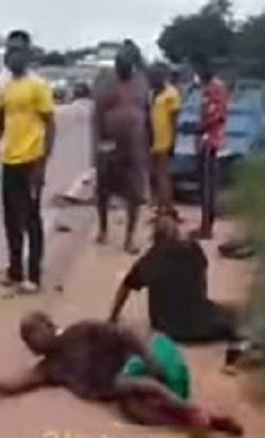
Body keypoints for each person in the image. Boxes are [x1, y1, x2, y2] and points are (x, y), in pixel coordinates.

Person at [0, 313, 243, 436]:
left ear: (49, 325)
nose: (31, 341)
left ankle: (192, 410)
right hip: (140, 385)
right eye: (26, 339)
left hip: (153, 356)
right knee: (133, 409)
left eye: (32, 332)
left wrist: (148, 357)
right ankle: (204, 419)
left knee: (126, 384)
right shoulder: (50, 368)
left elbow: (127, 333)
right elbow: (17, 383)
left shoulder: (83, 331)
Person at [0, 30, 56, 292]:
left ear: (27, 54)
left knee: (31, 220)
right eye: (9, 50)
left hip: (32, 161)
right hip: (10, 161)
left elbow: (50, 126)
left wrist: (42, 164)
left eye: (18, 50)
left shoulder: (38, 86)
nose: (12, 55)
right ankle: (15, 271)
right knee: (11, 220)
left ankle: (34, 276)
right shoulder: (5, 88)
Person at [109, 214, 245, 345]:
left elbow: (126, 286)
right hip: (198, 321)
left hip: (166, 327)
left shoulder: (150, 259)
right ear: (177, 234)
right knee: (238, 312)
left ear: (155, 238)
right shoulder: (193, 250)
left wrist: (113, 316)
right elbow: (202, 269)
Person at [93, 46, 151, 254]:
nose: (123, 69)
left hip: (135, 146)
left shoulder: (141, 83)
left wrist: (149, 143)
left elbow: (148, 113)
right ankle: (103, 229)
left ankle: (129, 237)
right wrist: (99, 143)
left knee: (134, 193)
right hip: (110, 145)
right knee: (103, 189)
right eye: (119, 65)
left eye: (126, 65)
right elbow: (98, 115)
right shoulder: (106, 83)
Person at [190, 59, 228, 240]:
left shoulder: (214, 88)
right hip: (210, 140)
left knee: (207, 187)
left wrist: (200, 127)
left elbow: (215, 115)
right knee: (207, 186)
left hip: (209, 141)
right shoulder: (212, 86)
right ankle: (205, 225)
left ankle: (206, 227)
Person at [148, 63, 182, 218]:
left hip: (164, 140)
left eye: (155, 76)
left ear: (162, 77)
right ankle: (160, 206)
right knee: (153, 175)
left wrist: (173, 142)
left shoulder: (172, 94)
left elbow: (174, 120)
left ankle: (166, 208)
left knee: (163, 176)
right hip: (151, 141)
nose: (152, 79)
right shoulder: (151, 93)